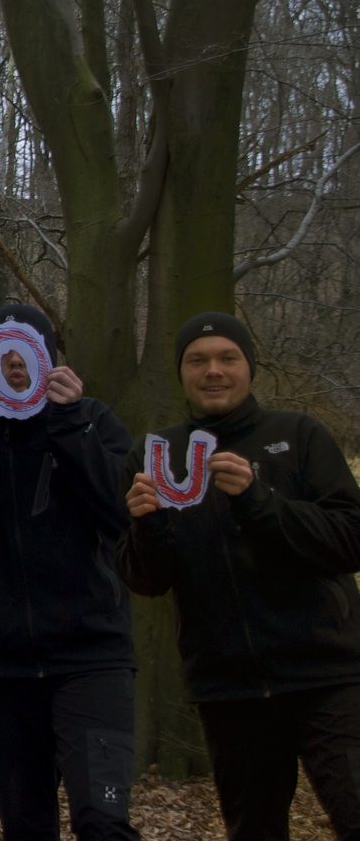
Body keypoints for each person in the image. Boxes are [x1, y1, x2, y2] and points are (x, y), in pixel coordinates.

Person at [119, 311, 360, 841]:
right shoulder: (156, 454)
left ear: (249, 367)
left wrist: (259, 501)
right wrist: (148, 527)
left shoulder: (298, 435)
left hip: (328, 676)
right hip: (229, 687)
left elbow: (350, 539)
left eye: (228, 358)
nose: (214, 371)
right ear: (181, 373)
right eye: (197, 361)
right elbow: (145, 580)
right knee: (254, 830)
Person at [0, 304, 140, 841]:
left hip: (94, 660)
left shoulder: (93, 419)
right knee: (25, 826)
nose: (16, 362)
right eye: (1, 351)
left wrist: (70, 424)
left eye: (28, 349)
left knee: (105, 821)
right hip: (1, 667)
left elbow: (125, 513)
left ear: (50, 357)